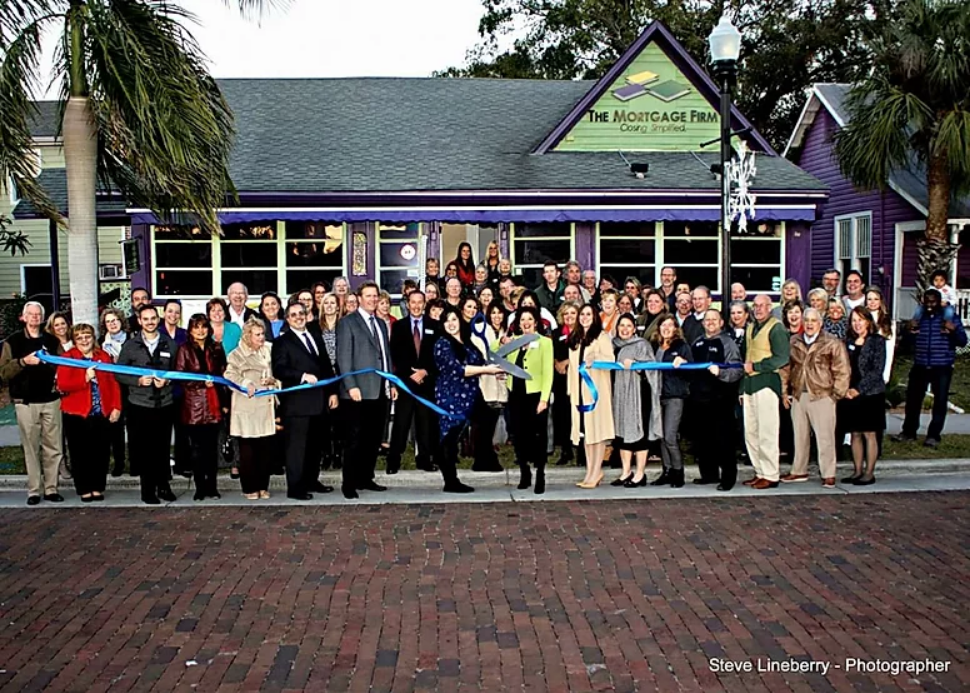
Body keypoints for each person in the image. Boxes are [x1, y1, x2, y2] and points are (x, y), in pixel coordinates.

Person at [272, 301, 338, 500]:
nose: (299, 317)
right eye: (293, 315)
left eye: (301, 313)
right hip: (297, 405)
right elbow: (279, 369)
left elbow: (327, 366)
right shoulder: (282, 342)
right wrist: (302, 376)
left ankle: (312, 481)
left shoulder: (315, 336)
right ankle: (296, 488)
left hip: (319, 402)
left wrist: (332, 392)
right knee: (296, 449)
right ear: (287, 319)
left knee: (314, 447)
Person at [0, 301, 65, 505]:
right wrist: (22, 362)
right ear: (24, 317)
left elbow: (63, 366)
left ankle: (52, 488)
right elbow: (3, 372)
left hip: (51, 400)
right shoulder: (13, 342)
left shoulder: (52, 341)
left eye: (38, 314)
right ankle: (34, 490)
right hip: (26, 402)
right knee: (31, 447)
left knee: (53, 446)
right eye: (31, 314)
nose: (35, 317)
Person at [337, 282, 398, 499]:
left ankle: (366, 477)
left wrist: (391, 384)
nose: (372, 299)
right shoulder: (348, 323)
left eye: (375, 296)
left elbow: (385, 355)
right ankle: (349, 483)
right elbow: (343, 359)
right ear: (359, 298)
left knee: (373, 439)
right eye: (368, 296)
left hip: (380, 390)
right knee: (354, 439)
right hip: (357, 392)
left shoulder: (381, 324)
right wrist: (351, 386)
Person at [434, 305, 502, 494]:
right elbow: (459, 370)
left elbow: (479, 362)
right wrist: (487, 371)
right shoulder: (442, 343)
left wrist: (495, 371)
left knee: (488, 418)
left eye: (454, 319)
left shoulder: (467, 341)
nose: (451, 324)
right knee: (450, 436)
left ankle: (482, 458)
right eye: (447, 320)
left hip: (472, 393)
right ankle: (451, 481)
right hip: (451, 396)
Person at [116, 303, 178, 505]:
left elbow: (178, 370)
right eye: (146, 319)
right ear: (140, 321)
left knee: (162, 448)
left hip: (164, 404)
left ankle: (164, 486)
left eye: (153, 318)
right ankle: (147, 489)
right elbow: (119, 372)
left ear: (158, 320)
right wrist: (137, 381)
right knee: (145, 450)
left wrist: (168, 380)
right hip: (140, 405)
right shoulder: (130, 346)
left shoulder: (170, 344)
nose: (150, 322)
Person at [781, 308, 850, 488]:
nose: (810, 324)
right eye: (807, 320)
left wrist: (836, 394)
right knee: (800, 436)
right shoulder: (794, 341)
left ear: (820, 323)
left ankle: (828, 473)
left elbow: (842, 370)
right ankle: (798, 470)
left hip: (822, 395)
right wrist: (784, 391)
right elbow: (787, 368)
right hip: (798, 394)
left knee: (825, 437)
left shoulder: (832, 342)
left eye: (814, 320)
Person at [893, 289, 968, 447]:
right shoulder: (919, 318)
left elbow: (962, 341)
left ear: (939, 302)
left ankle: (933, 435)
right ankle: (908, 432)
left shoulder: (950, 318)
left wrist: (953, 329)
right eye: (926, 301)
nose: (929, 305)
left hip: (942, 365)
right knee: (913, 400)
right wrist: (907, 330)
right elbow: (905, 345)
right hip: (920, 364)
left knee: (940, 402)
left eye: (933, 302)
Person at [56, 323, 122, 502]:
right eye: (80, 337)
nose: (84, 340)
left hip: (101, 411)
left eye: (87, 336)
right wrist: (84, 378)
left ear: (93, 338)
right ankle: (84, 488)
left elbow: (113, 383)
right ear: (74, 340)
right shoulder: (68, 358)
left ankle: (98, 486)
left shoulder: (104, 357)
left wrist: (116, 406)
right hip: (76, 413)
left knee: (100, 452)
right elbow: (62, 385)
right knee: (80, 453)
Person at [499, 306, 553, 493]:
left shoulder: (545, 342)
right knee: (519, 435)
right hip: (516, 395)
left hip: (536, 395)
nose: (526, 323)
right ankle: (524, 471)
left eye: (529, 319)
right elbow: (495, 353)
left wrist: (544, 399)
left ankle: (540, 474)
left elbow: (548, 373)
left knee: (538, 437)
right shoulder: (514, 342)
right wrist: (502, 341)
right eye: (522, 320)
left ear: (536, 322)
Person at [225, 317, 279, 500]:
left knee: (266, 452)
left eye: (262, 333)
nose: (261, 337)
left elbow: (279, 374)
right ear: (248, 336)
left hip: (266, 408)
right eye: (257, 334)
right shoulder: (237, 354)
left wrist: (274, 382)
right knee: (248, 452)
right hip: (246, 408)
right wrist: (245, 383)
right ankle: (249, 488)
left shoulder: (270, 350)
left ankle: (263, 486)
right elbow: (229, 375)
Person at [689, 310, 744, 490]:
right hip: (699, 400)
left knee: (724, 440)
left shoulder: (727, 343)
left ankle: (728, 478)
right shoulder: (697, 343)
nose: (710, 322)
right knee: (703, 440)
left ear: (721, 322)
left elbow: (737, 370)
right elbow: (689, 368)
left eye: (714, 319)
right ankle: (709, 475)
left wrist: (721, 373)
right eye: (707, 320)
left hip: (721, 400)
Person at [740, 295, 790, 490]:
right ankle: (759, 471)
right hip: (750, 385)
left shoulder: (776, 328)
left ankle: (771, 473)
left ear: (770, 307)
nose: (759, 309)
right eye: (756, 306)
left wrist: (758, 366)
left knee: (767, 431)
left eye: (762, 306)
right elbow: (746, 357)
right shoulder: (751, 327)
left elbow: (781, 358)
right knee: (751, 432)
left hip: (767, 384)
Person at [175, 314, 227, 501]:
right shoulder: (184, 349)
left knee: (212, 449)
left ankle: (212, 487)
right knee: (197, 450)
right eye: (196, 327)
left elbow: (223, 373)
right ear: (190, 330)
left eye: (204, 326)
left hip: (213, 404)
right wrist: (201, 384)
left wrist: (224, 401)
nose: (200, 330)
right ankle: (200, 488)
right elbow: (180, 375)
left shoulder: (216, 348)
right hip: (194, 406)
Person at [387, 290, 440, 475]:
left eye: (420, 302)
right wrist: (409, 374)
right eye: (413, 302)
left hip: (426, 383)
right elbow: (394, 354)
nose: (416, 306)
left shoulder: (435, 325)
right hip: (405, 384)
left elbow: (438, 355)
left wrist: (426, 371)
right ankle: (393, 460)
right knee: (401, 423)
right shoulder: (399, 326)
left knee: (425, 424)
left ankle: (424, 459)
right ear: (407, 304)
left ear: (425, 304)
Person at [568, 304, 615, 488]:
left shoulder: (601, 337)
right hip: (579, 392)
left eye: (589, 314)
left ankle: (597, 471)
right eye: (583, 314)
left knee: (598, 432)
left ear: (595, 317)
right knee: (586, 433)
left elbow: (611, 360)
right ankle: (590, 471)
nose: (585, 317)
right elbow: (572, 368)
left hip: (596, 391)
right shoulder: (575, 338)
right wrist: (571, 391)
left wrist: (595, 360)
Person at [611, 313, 662, 487]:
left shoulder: (642, 345)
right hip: (620, 393)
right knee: (622, 432)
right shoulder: (613, 345)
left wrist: (637, 365)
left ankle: (640, 473)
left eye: (628, 326)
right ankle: (626, 472)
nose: (624, 329)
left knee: (639, 432)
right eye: (621, 326)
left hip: (639, 394)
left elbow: (652, 369)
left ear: (634, 328)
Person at [841, 308, 888, 484]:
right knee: (855, 433)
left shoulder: (877, 341)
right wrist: (846, 389)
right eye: (854, 320)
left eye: (860, 320)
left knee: (869, 433)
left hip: (871, 394)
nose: (857, 324)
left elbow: (877, 371)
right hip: (850, 393)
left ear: (868, 321)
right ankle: (857, 470)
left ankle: (869, 472)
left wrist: (859, 389)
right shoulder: (848, 342)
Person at [649, 315, 691, 488]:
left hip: (674, 395)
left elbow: (690, 371)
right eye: (663, 325)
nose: (666, 328)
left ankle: (678, 471)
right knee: (661, 436)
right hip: (657, 395)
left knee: (670, 436)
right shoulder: (655, 347)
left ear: (675, 328)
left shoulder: (681, 346)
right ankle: (666, 471)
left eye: (670, 325)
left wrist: (683, 362)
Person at [474, 300, 509, 472]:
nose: (497, 316)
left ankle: (486, 457)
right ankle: (482, 458)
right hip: (484, 382)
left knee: (492, 422)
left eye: (500, 312)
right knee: (483, 424)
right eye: (493, 313)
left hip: (501, 382)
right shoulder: (480, 330)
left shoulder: (508, 331)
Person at [161, 299, 190, 478]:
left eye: (177, 312)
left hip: (181, 390)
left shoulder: (184, 335)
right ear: (164, 313)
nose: (173, 315)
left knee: (182, 430)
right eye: (170, 311)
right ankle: (164, 467)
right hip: (161, 391)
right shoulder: (156, 333)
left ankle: (182, 464)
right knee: (163, 431)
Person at [99, 307, 130, 476]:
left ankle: (136, 462)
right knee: (114, 428)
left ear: (121, 321)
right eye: (108, 322)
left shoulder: (132, 340)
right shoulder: (100, 343)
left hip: (131, 389)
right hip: (111, 389)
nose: (112, 324)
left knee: (133, 428)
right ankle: (119, 463)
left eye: (115, 320)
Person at [552, 300, 579, 466]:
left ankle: (581, 451)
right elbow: (551, 351)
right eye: (566, 313)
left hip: (577, 377)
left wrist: (567, 362)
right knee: (561, 414)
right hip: (560, 379)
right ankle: (565, 450)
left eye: (572, 313)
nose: (569, 316)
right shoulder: (556, 333)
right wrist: (557, 363)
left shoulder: (583, 333)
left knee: (577, 412)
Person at [318, 292, 344, 470]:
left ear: (337, 306)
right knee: (324, 419)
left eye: (332, 302)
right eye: (326, 302)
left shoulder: (345, 325)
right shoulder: (315, 327)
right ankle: (326, 453)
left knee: (340, 420)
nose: (329, 305)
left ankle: (338, 454)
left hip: (341, 375)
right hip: (322, 377)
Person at [866, 288, 897, 383]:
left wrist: (886, 374)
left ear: (881, 301)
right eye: (869, 299)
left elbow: (890, 349)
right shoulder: (860, 317)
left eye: (876, 299)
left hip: (879, 366)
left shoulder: (888, 321)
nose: (872, 302)